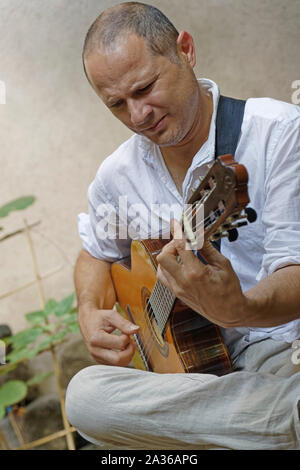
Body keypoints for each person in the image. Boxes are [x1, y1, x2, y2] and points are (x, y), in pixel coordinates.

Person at [65, 2, 300, 450]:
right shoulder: (117, 176)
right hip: (197, 376)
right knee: (85, 398)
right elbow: (96, 252)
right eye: (117, 103)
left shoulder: (280, 133)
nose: (138, 115)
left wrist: (242, 308)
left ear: (185, 50)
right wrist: (88, 311)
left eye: (145, 87)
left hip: (282, 348)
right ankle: (278, 422)